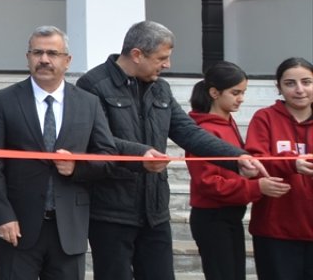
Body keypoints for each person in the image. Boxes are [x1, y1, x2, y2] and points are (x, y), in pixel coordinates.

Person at [76, 20, 267, 280]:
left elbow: (190, 133)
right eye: (162, 58)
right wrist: (140, 155)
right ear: (137, 54)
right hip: (111, 211)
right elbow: (97, 141)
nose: (167, 65)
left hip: (154, 212)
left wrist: (237, 158)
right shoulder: (93, 85)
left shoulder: (160, 89)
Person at [0, 26, 117, 280]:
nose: (44, 59)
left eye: (52, 53)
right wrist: (2, 216)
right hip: (17, 227)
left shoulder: (88, 103)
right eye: (37, 52)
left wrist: (78, 167)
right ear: (28, 57)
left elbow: (107, 156)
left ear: (67, 60)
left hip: (70, 228)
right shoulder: (5, 100)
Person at [186, 61, 279, 280]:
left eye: (243, 92)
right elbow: (208, 182)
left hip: (230, 213)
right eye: (235, 92)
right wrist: (256, 187)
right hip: (212, 216)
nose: (241, 99)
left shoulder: (228, 122)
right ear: (214, 93)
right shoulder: (204, 130)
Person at [244, 57, 313, 280]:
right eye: (290, 83)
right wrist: (291, 163)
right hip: (275, 229)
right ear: (279, 87)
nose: (300, 90)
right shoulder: (265, 118)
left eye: (306, 82)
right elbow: (255, 161)